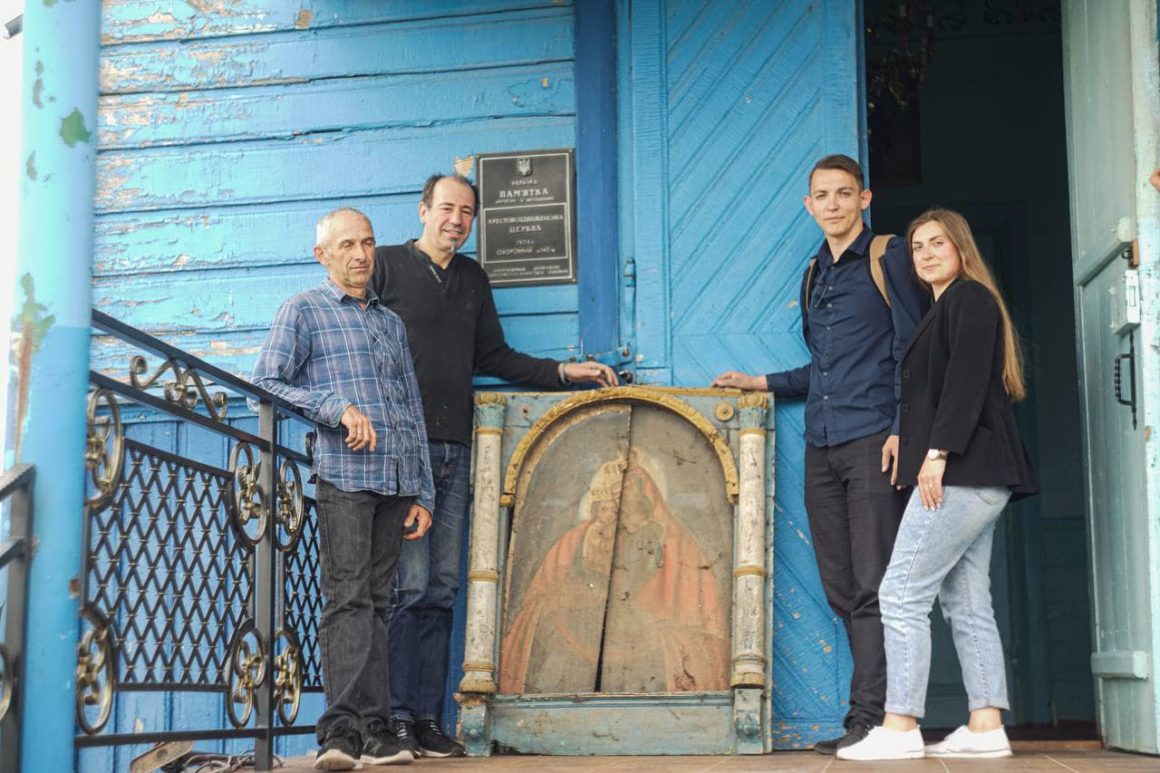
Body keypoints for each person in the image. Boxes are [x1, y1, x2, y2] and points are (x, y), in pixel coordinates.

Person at [373, 173, 618, 757]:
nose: (456, 220)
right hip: (402, 451)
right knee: (408, 587)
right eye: (446, 208)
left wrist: (564, 373)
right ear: (423, 210)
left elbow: (494, 356)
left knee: (442, 587)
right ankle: (396, 717)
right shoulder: (385, 266)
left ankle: (429, 720)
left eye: (466, 212)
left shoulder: (472, 278)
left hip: (455, 449)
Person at [711, 155, 929, 753]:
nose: (833, 204)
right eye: (822, 196)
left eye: (843, 193)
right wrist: (761, 382)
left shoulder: (888, 257)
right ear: (809, 206)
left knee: (875, 583)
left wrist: (903, 429)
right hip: (822, 443)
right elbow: (826, 369)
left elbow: (913, 348)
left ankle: (878, 721)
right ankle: (874, 716)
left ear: (864, 198)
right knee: (841, 585)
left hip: (874, 441)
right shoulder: (815, 274)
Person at [837, 208, 1038, 761]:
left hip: (962, 473)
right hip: (978, 477)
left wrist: (936, 453)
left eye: (937, 244)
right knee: (967, 601)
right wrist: (912, 439)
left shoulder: (968, 298)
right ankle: (986, 724)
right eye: (917, 247)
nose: (925, 254)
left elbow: (963, 386)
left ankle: (900, 726)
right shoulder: (946, 306)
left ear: (961, 249)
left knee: (900, 593)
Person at [253, 208, 434, 770]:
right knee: (349, 598)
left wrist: (423, 492)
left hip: (397, 480)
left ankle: (376, 732)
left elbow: (411, 408)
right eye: (348, 245)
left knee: (379, 603)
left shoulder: (390, 323)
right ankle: (340, 732)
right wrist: (336, 408)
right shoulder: (303, 310)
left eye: (368, 243)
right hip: (345, 475)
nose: (360, 255)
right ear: (323, 254)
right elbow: (266, 381)